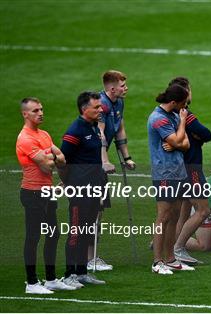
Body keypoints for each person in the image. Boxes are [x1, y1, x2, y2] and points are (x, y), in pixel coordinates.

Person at [16, 97, 75, 294]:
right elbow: (49, 164)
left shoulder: (44, 135)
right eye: (35, 111)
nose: (40, 113)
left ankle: (50, 279)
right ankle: (31, 283)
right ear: (25, 114)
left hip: (47, 191)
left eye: (41, 109)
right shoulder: (25, 138)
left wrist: (50, 155)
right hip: (32, 193)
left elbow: (62, 160)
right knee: (33, 237)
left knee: (53, 234)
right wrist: (51, 155)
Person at [87, 70, 135, 271]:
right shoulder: (102, 105)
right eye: (123, 86)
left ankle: (92, 257)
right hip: (91, 161)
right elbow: (100, 133)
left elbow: (119, 128)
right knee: (91, 209)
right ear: (112, 88)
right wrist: (104, 160)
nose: (126, 88)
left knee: (98, 210)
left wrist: (126, 157)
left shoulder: (118, 102)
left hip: (99, 162)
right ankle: (88, 258)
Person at [162, 77, 211, 266]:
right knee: (203, 210)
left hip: (180, 167)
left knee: (181, 212)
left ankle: (171, 247)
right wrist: (198, 139)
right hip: (191, 168)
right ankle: (178, 248)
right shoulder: (185, 115)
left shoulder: (171, 115)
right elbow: (206, 134)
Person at [60, 91, 107, 287]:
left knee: (87, 231)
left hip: (94, 188)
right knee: (76, 232)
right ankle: (69, 274)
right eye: (96, 107)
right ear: (84, 109)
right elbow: (62, 161)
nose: (100, 109)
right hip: (80, 189)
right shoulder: (75, 130)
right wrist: (68, 183)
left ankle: (82, 272)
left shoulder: (94, 127)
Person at [147, 83, 193, 275]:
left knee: (174, 216)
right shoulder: (158, 119)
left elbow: (185, 144)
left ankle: (170, 259)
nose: (184, 108)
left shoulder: (173, 115)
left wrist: (177, 142)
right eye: (182, 104)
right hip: (164, 174)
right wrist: (181, 126)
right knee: (163, 217)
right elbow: (176, 140)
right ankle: (157, 262)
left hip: (179, 172)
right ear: (174, 102)